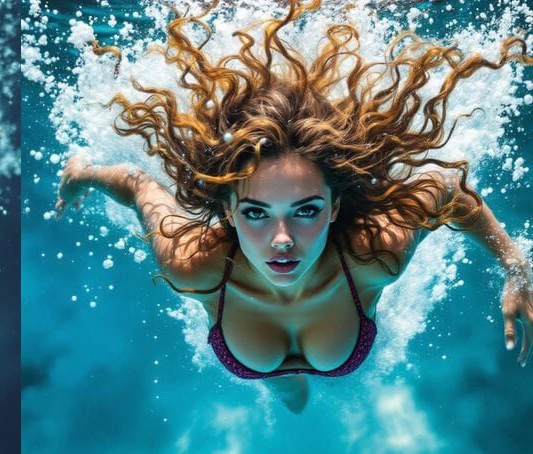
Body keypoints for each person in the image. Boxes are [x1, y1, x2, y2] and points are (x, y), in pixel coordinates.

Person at [55, 0, 533, 411]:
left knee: (289, 393)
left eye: (305, 210)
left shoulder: (374, 255)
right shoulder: (195, 265)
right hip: (268, 363)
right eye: (256, 213)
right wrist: (84, 177)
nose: (282, 240)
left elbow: (448, 189)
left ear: (335, 207)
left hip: (296, 331)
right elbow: (140, 185)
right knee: (288, 392)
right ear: (227, 212)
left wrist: (516, 268)